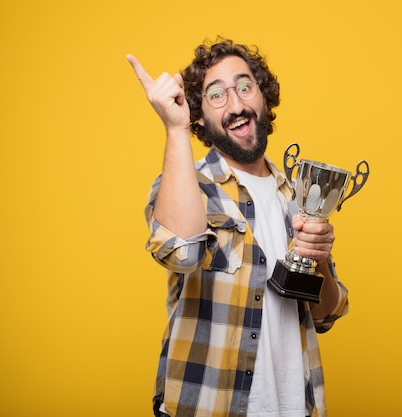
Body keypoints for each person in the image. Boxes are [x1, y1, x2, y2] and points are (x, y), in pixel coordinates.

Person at [127, 38, 349, 417]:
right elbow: (181, 253)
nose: (236, 104)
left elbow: (325, 314)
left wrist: (320, 259)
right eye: (216, 95)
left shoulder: (296, 197)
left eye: (245, 87)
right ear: (198, 115)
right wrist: (175, 129)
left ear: (263, 97)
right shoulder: (184, 185)